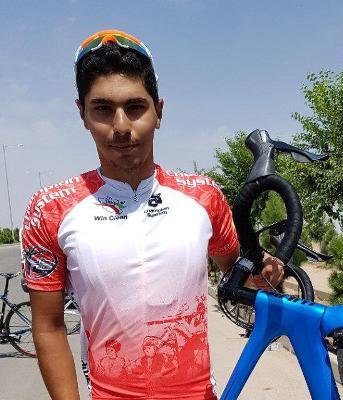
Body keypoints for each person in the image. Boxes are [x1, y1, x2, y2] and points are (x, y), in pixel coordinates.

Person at [21, 29, 283, 400]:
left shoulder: (204, 196)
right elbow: (48, 326)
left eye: (135, 107)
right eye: (102, 109)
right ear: (82, 114)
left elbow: (238, 274)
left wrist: (263, 270)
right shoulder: (51, 208)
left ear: (158, 112)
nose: (121, 127)